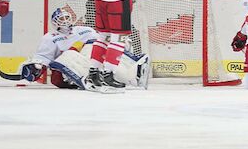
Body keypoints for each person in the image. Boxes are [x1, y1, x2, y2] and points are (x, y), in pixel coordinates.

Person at [19, 7, 150, 90]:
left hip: (88, 58)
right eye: (61, 18)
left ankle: (134, 69)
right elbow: (43, 58)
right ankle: (98, 78)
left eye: (66, 17)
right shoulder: (49, 37)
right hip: (67, 68)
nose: (65, 21)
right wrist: (36, 66)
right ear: (54, 22)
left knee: (103, 53)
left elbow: (101, 43)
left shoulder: (84, 30)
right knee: (68, 57)